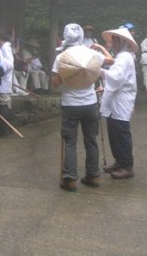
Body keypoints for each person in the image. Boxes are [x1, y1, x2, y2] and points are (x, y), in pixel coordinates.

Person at [52, 24, 114, 192]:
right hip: (90, 103)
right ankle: (93, 175)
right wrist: (101, 47)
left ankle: (70, 179)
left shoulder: (61, 57)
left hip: (70, 104)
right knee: (91, 140)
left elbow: (56, 83)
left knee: (70, 142)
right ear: (81, 36)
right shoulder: (90, 53)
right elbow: (111, 61)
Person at [95, 27, 139, 179]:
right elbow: (117, 79)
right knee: (114, 132)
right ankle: (120, 161)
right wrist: (105, 87)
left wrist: (98, 71)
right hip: (116, 100)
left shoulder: (125, 57)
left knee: (121, 132)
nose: (112, 43)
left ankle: (127, 165)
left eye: (114, 40)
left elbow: (116, 78)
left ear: (121, 41)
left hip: (121, 101)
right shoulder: (122, 56)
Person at [0, 32, 15, 135]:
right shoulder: (6, 48)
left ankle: (5, 129)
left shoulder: (5, 48)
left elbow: (9, 65)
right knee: (5, 104)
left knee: (3, 104)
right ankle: (6, 128)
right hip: (5, 81)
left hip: (4, 81)